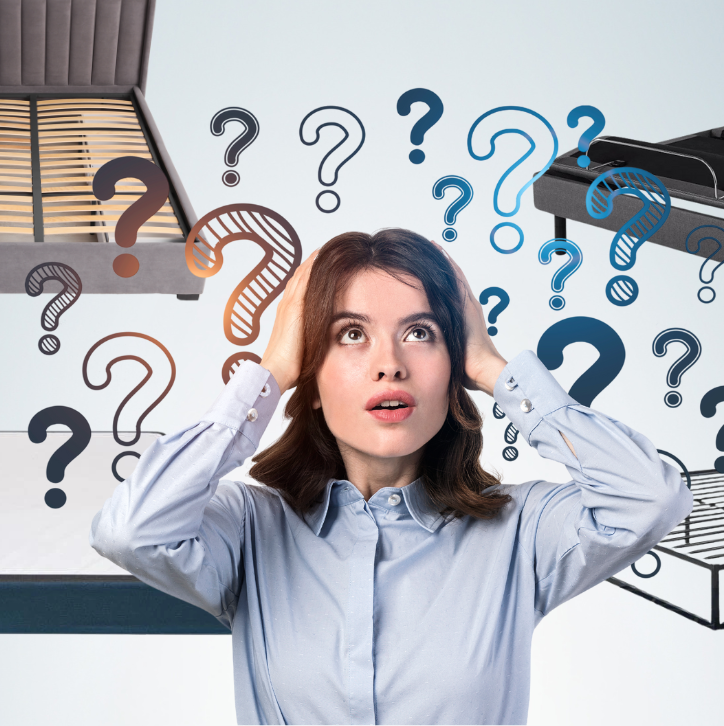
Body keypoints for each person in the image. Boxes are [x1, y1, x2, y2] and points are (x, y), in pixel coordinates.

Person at [90, 228, 693, 725]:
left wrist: (489, 365)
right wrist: (270, 371)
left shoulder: (519, 531)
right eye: (351, 335)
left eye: (421, 333)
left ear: (451, 368)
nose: (390, 365)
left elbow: (652, 499)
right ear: (313, 376)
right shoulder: (252, 529)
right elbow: (131, 533)